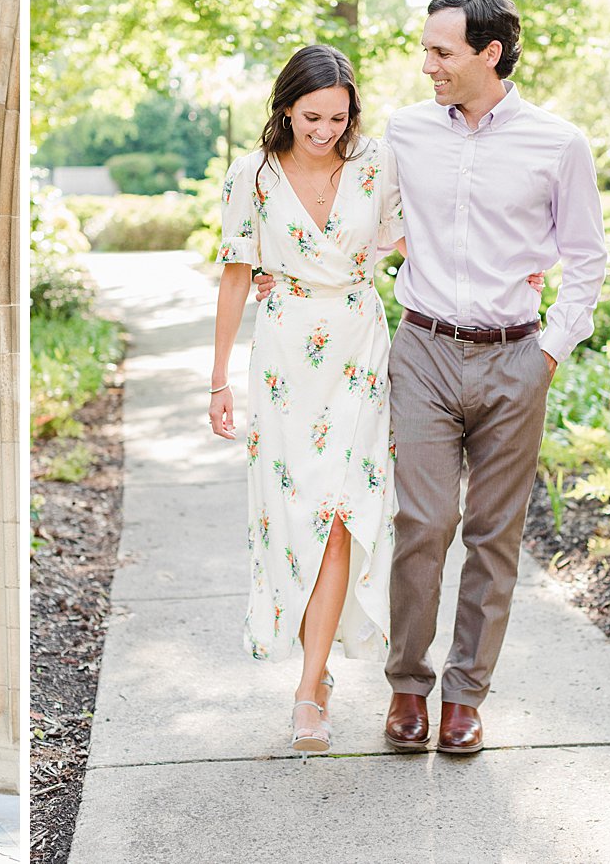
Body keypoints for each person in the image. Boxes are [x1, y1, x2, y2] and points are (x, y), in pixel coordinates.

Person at [379, 0, 605, 755]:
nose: (427, 65)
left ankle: (464, 697)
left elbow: (586, 259)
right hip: (425, 350)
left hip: (516, 354)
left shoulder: (558, 142)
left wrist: (548, 352)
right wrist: (286, 269)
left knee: (494, 534)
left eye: (440, 51)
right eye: (426, 49)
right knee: (425, 521)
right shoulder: (402, 132)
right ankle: (408, 684)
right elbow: (362, 220)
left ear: (489, 52)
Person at [209, 44, 405, 757]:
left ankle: (309, 684)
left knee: (345, 511)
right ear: (286, 106)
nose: (325, 130)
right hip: (287, 356)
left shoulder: (376, 165)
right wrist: (218, 377)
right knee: (296, 518)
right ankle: (313, 677)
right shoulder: (252, 176)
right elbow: (236, 274)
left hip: (359, 348)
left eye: (339, 117)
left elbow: (423, 235)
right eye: (312, 116)